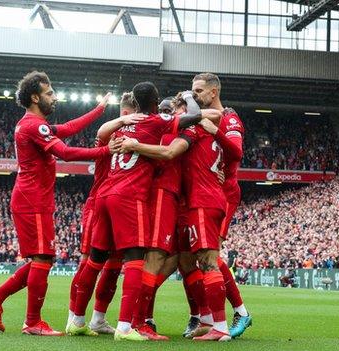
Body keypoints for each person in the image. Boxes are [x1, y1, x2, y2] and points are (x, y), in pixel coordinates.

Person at [0, 71, 113, 336]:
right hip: (33, 200)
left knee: (41, 260)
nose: (55, 98)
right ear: (35, 96)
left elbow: (69, 128)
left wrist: (99, 110)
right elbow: (64, 152)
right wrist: (107, 151)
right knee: (43, 259)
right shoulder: (32, 125)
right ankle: (32, 322)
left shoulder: (32, 124)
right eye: (50, 93)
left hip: (32, 198)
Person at [119, 74, 232, 342]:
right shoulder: (164, 124)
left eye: (175, 108)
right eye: (168, 108)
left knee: (179, 259)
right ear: (158, 105)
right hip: (163, 194)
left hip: (178, 198)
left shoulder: (161, 123)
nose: (172, 112)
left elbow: (215, 117)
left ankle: (199, 317)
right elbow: (175, 148)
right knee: (158, 258)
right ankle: (139, 321)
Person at [70, 81, 180, 341]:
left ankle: (76, 320)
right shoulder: (154, 122)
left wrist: (122, 122)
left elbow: (101, 129)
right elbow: (188, 121)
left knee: (94, 261)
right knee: (134, 261)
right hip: (130, 197)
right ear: (155, 101)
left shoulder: (119, 128)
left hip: (105, 194)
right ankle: (125, 326)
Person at [66, 92, 143, 336]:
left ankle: (97, 319)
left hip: (113, 204)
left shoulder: (124, 135)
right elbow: (99, 134)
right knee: (89, 263)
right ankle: (74, 318)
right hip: (98, 203)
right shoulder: (111, 135)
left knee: (112, 266)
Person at [194, 72, 251, 338]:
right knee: (204, 257)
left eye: (199, 91)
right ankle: (209, 319)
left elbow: (237, 152)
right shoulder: (208, 117)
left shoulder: (229, 118)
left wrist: (215, 131)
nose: (195, 95)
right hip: (212, 191)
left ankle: (241, 312)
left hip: (225, 193)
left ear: (213, 92)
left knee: (211, 257)